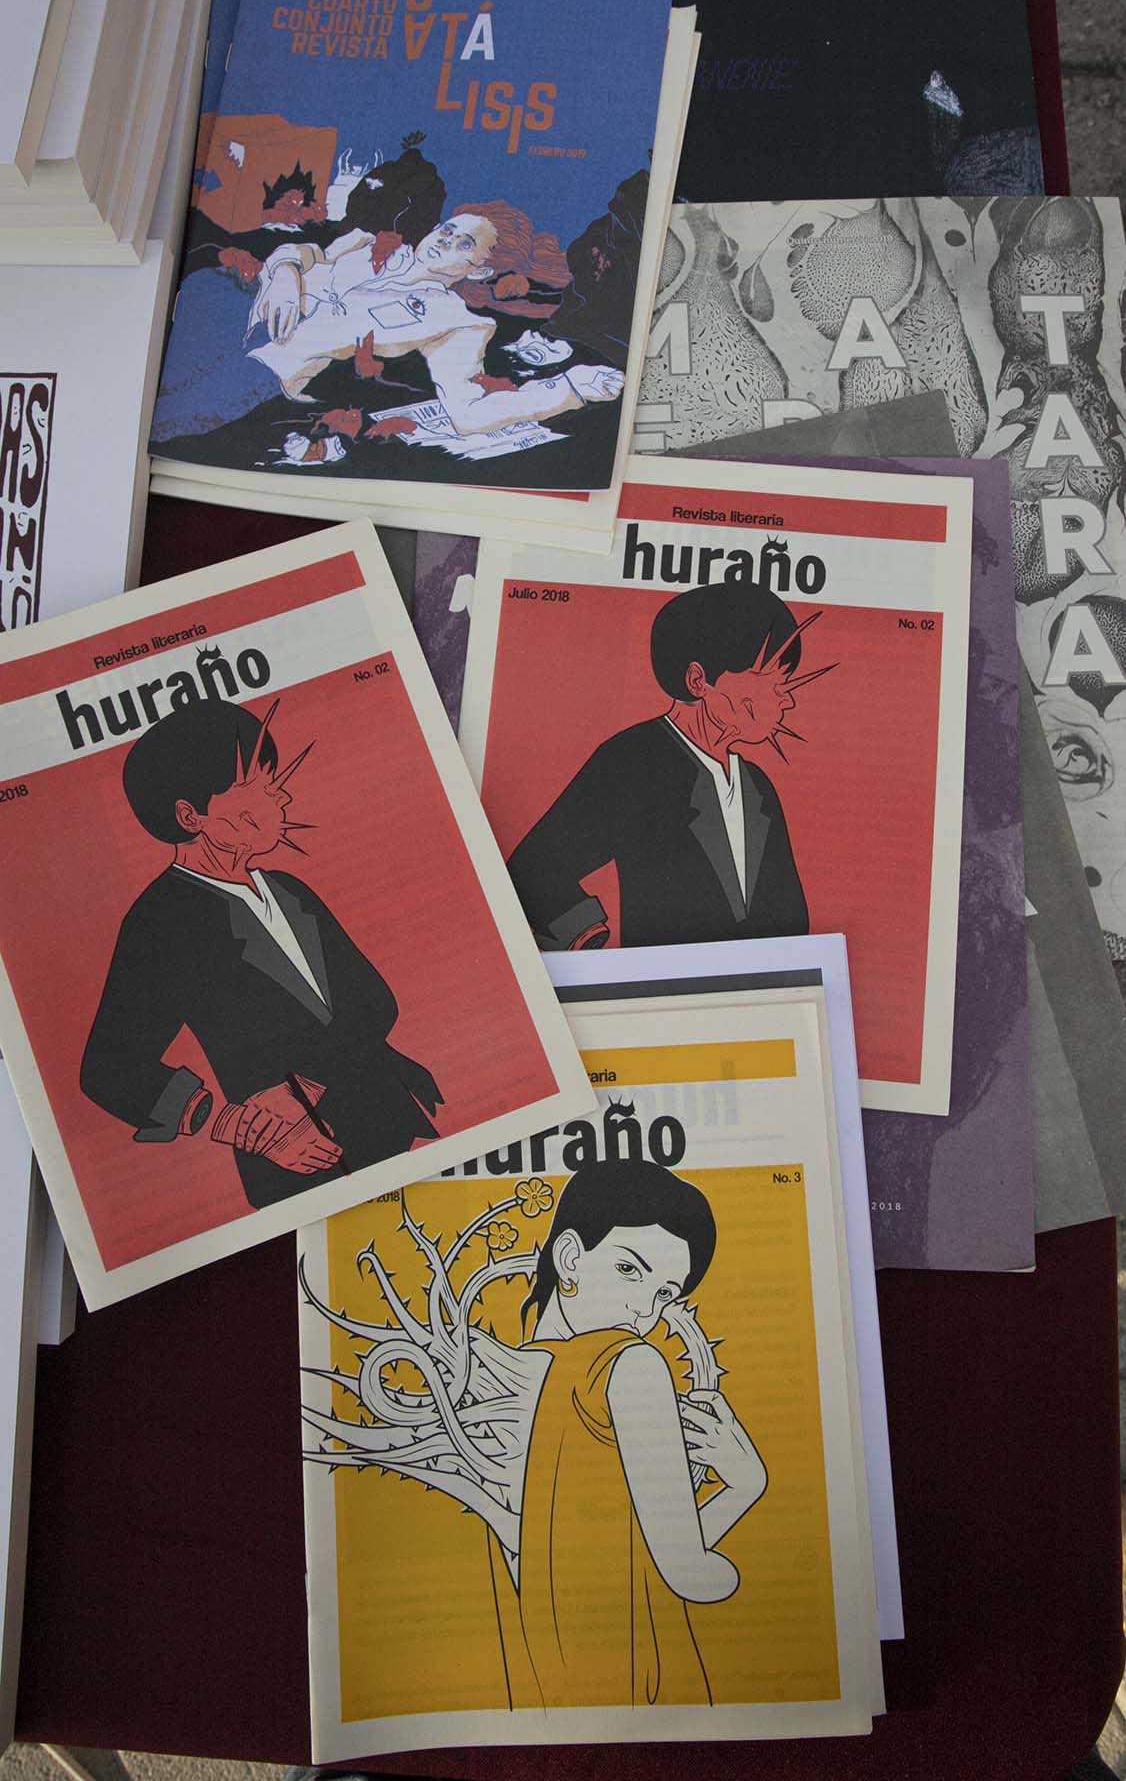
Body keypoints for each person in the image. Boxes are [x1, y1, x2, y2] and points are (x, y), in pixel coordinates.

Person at [81, 697, 442, 1209]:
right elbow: (109, 1068)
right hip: (300, 1161)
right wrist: (231, 1123)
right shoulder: (160, 922)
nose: (282, 797)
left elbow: (375, 1000)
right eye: (257, 787)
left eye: (274, 782)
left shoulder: (289, 889)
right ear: (190, 816)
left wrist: (304, 1083)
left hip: (391, 1115)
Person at [492, 1158, 767, 1709]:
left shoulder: (512, 1375)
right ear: (570, 1257)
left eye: (665, 1294)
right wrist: (745, 1484)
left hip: (545, 1685)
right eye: (629, 1270)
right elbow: (689, 1573)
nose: (645, 1310)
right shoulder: (632, 1364)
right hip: (644, 1678)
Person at [152, 198, 623, 448]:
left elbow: (469, 414)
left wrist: (569, 388)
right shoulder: (367, 243)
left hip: (260, 367)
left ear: (480, 270)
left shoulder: (456, 322)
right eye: (447, 229)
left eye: (464, 244)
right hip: (225, 301)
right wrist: (283, 272)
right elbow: (304, 252)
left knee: (153, 425)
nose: (445, 241)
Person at [507, 578, 822, 951]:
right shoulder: (632, 762)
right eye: (767, 680)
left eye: (784, 683)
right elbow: (533, 868)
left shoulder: (758, 786)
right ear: (698, 681)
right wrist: (585, 939)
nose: (786, 700)